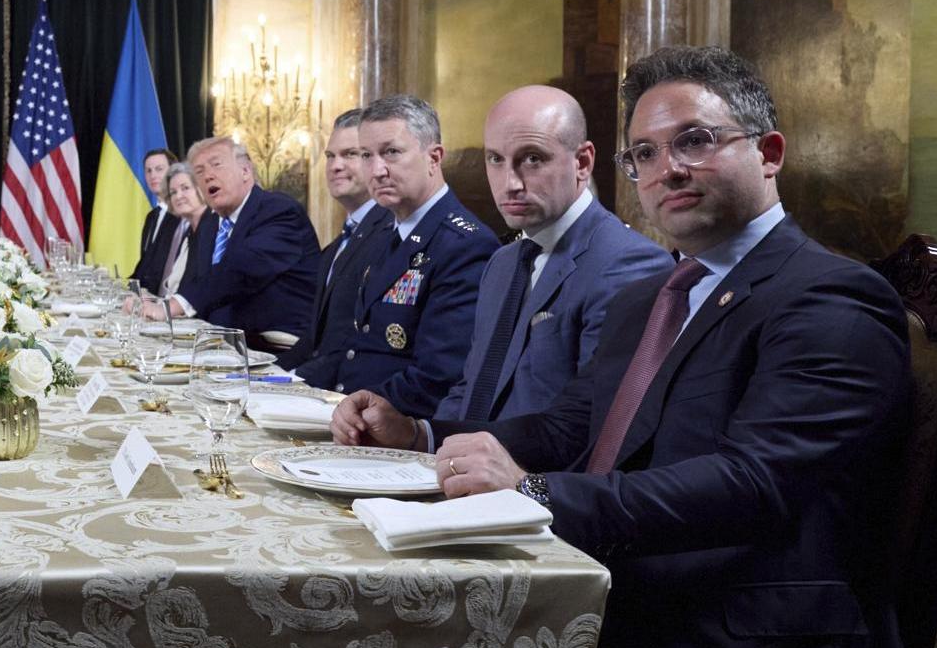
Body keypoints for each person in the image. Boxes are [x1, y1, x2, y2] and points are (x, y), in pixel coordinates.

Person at [334, 46, 918, 648]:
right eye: (644, 153)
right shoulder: (657, 293)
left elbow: (755, 484)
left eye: (694, 141)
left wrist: (533, 492)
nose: (666, 168)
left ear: (768, 152)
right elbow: (572, 422)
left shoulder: (830, 296)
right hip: (635, 601)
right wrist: (418, 433)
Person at [433, 85, 670, 421]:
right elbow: (472, 389)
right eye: (495, 159)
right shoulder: (502, 263)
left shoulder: (629, 263)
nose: (510, 183)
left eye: (532, 159)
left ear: (583, 162)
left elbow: (591, 422)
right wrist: (419, 435)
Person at [298, 94, 496, 411]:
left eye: (391, 152)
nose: (377, 170)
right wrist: (292, 388)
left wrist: (352, 411)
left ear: (434, 158)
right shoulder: (384, 234)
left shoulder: (465, 245)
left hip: (398, 426)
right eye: (366, 155)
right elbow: (353, 348)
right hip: (350, 411)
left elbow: (439, 377)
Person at [142, 137, 320, 341]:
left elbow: (240, 269)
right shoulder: (209, 224)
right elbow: (202, 283)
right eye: (199, 171)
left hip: (275, 343)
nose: (208, 175)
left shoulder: (278, 211)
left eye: (217, 165)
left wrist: (173, 306)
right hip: (219, 341)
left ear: (245, 171)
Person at [280, 108, 396, 373]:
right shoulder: (335, 247)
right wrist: (266, 376)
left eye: (350, 154)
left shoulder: (390, 233)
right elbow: (315, 339)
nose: (335, 166)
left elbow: (360, 341)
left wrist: (296, 378)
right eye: (330, 156)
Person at [152, 163, 207, 298]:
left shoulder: (215, 230)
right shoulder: (190, 233)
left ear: (201, 188)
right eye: (173, 192)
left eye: (185, 188)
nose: (178, 196)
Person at [128, 147, 179, 292]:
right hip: (144, 298)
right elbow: (144, 267)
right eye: (148, 171)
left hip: (167, 299)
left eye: (159, 169)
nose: (153, 175)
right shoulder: (151, 217)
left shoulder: (182, 216)